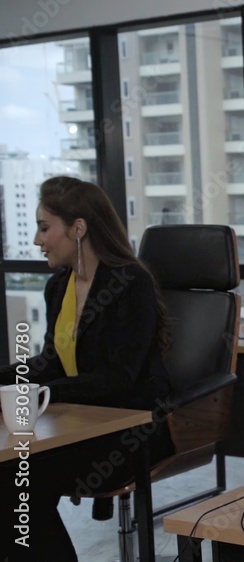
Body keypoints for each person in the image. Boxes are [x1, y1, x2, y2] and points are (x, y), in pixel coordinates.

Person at [0, 176, 172, 561]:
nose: (36, 240)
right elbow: (50, 362)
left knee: (16, 478)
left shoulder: (132, 284)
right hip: (76, 425)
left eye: (45, 228)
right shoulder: (59, 286)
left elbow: (121, 377)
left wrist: (47, 393)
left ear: (79, 228)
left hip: (128, 432)